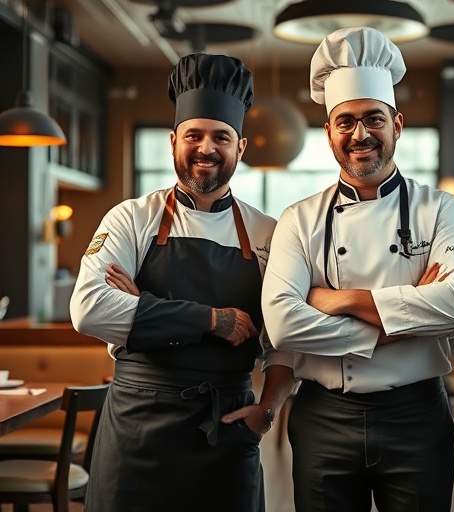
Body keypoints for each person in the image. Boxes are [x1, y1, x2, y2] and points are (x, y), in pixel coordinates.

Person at [261, 27, 454, 512]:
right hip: (324, 418)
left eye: (373, 119)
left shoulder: (441, 209)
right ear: (329, 133)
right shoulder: (299, 218)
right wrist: (399, 326)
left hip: (417, 414)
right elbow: (281, 322)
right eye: (346, 122)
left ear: (397, 124)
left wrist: (335, 300)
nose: (360, 135)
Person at [70, 53, 295, 512]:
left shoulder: (270, 234)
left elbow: (284, 337)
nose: (206, 148)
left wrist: (267, 410)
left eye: (221, 137)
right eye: (194, 135)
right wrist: (212, 320)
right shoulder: (131, 218)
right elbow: (90, 310)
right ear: (174, 141)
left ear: (242, 147)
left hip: (229, 425)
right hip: (137, 426)